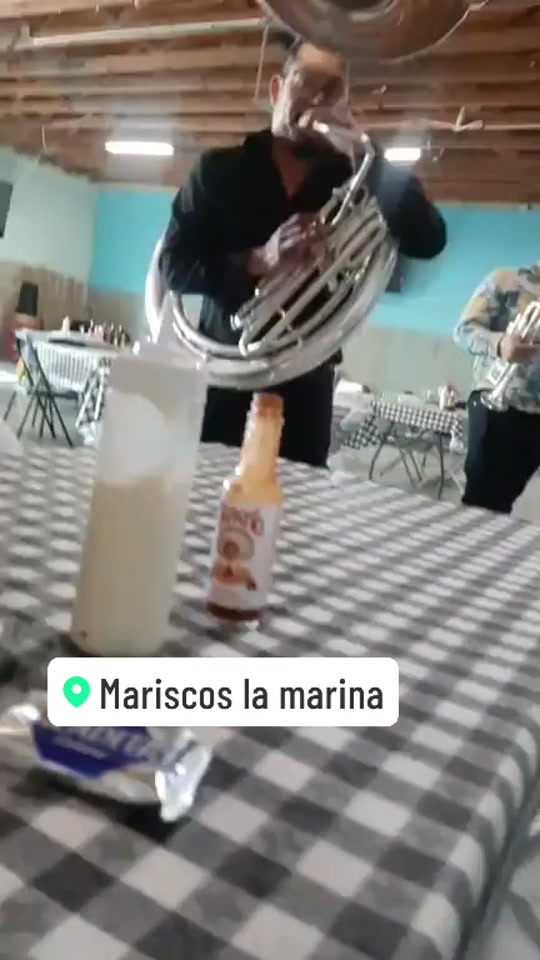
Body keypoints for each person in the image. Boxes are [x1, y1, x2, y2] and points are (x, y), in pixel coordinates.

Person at [160, 40, 447, 468]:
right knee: (205, 492)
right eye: (306, 82)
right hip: (225, 377)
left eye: (333, 91)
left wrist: (364, 151)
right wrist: (259, 260)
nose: (318, 100)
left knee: (296, 505)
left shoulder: (358, 176)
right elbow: (173, 265)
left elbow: (430, 238)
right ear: (277, 89)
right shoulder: (219, 170)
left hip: (307, 389)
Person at [454, 264, 540, 514]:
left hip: (537, 414)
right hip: (497, 402)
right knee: (481, 499)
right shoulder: (505, 280)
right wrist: (500, 343)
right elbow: (463, 331)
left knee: (504, 501)